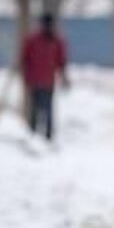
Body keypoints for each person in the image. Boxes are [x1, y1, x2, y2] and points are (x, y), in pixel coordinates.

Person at [20, 13, 69, 141]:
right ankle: (33, 134)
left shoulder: (56, 41)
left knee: (47, 108)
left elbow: (61, 61)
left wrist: (64, 77)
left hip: (46, 80)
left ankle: (47, 135)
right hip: (36, 80)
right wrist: (25, 76)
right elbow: (25, 59)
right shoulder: (33, 40)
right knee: (36, 108)